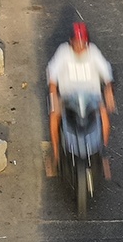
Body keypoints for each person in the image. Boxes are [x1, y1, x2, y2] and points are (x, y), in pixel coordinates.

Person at [46, 22, 114, 171]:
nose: (80, 47)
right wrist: (54, 98)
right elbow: (52, 78)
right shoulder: (63, 52)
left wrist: (109, 91)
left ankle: (103, 151)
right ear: (71, 41)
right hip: (68, 96)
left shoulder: (93, 52)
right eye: (77, 43)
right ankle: (56, 154)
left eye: (83, 43)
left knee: (103, 115)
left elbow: (107, 74)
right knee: (54, 115)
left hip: (91, 96)